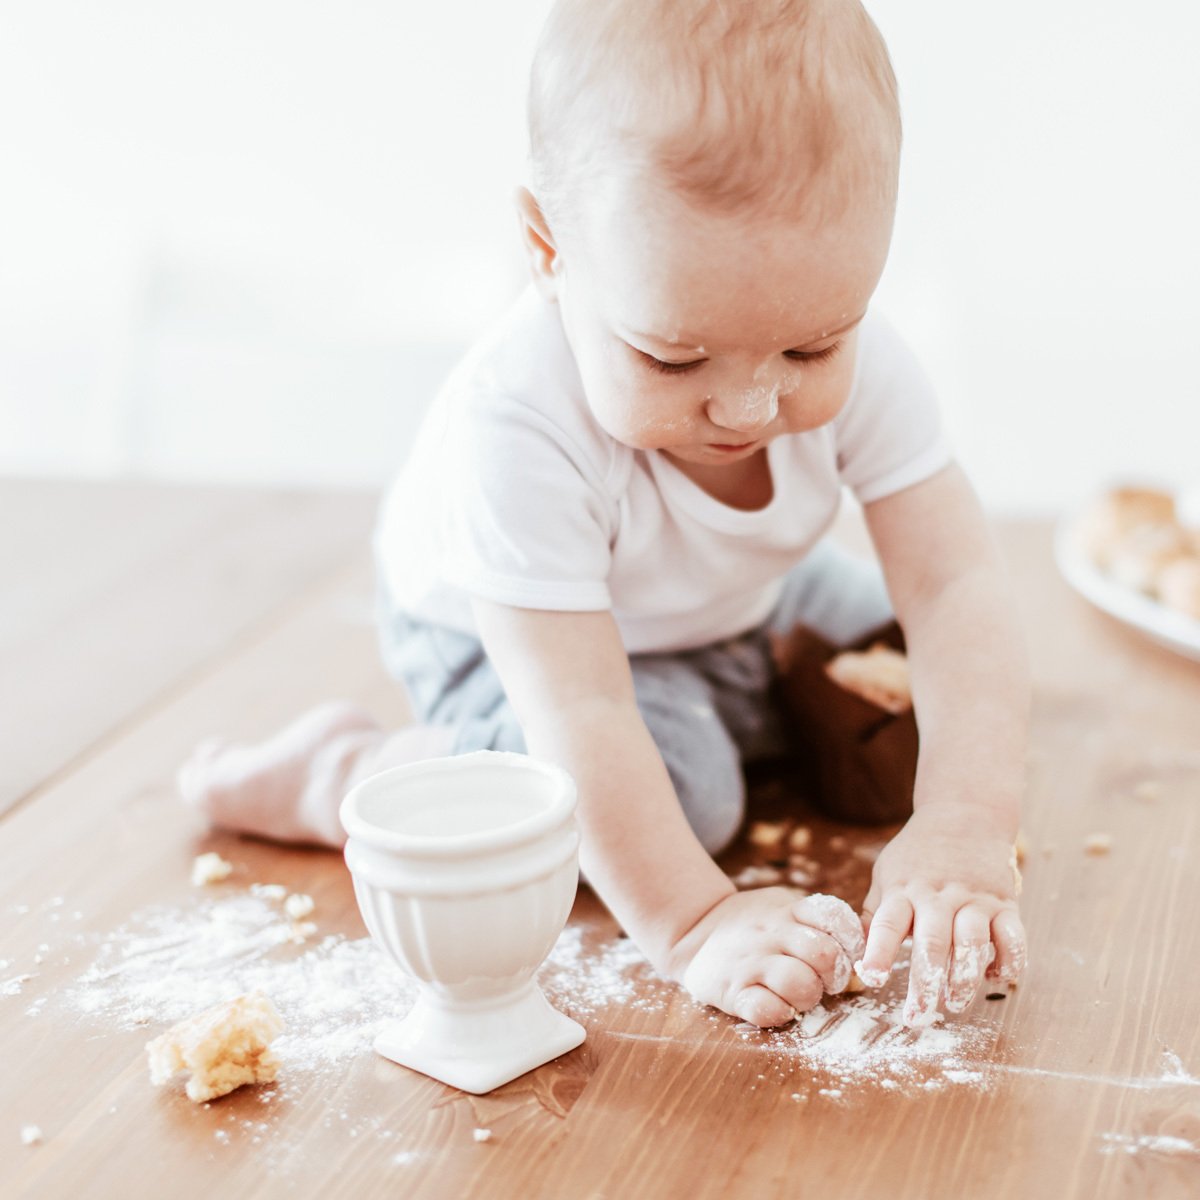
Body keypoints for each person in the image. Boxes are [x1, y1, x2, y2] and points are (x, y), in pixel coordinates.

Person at [180, 0, 1029, 1030]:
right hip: (517, 641)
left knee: (897, 646)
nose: (752, 407)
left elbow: (955, 585)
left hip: (718, 587)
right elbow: (580, 706)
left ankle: (741, 679)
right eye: (674, 357)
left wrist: (966, 822)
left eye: (813, 350)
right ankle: (351, 773)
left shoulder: (852, 349)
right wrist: (695, 924)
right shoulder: (518, 424)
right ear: (548, 249)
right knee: (693, 794)